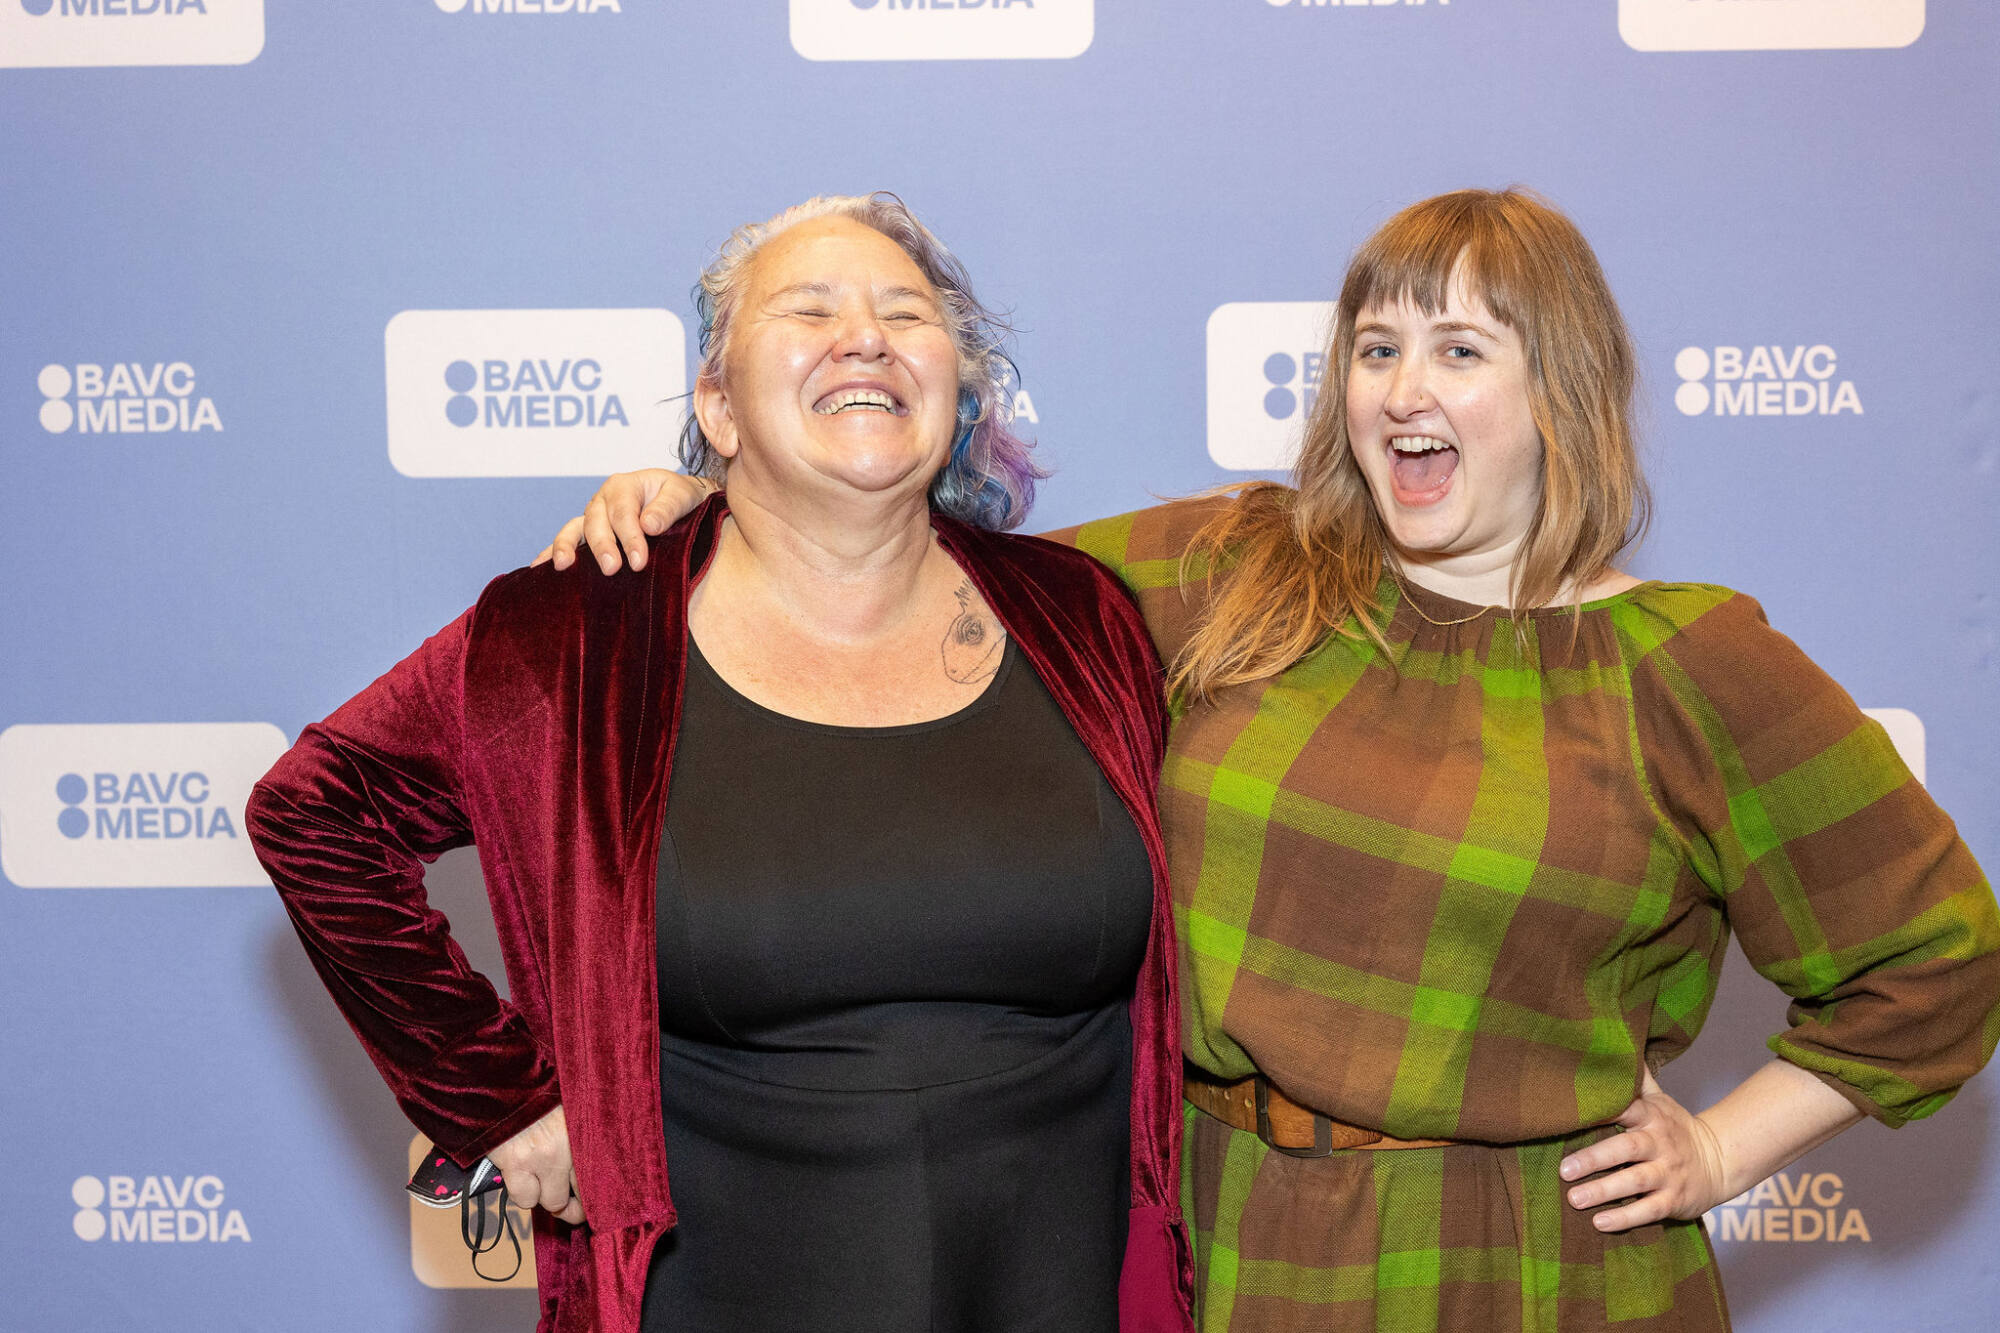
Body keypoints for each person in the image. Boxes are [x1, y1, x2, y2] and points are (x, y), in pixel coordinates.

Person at [542, 187, 2000, 1330]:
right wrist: (721, 497)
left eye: (1460, 349)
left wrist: (1727, 1150)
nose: (1403, 389)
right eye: (1376, 348)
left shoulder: (1684, 664)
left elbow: (1938, 959)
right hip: (1217, 1239)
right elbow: (919, 573)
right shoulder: (1235, 564)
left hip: (1515, 1268)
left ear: (1558, 391)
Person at [248, 193, 1196, 1333]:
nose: (865, 337)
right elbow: (314, 810)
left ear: (959, 390)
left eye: (906, 313)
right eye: (810, 310)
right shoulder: (578, 636)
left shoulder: (1080, 615)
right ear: (718, 405)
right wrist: (495, 1097)